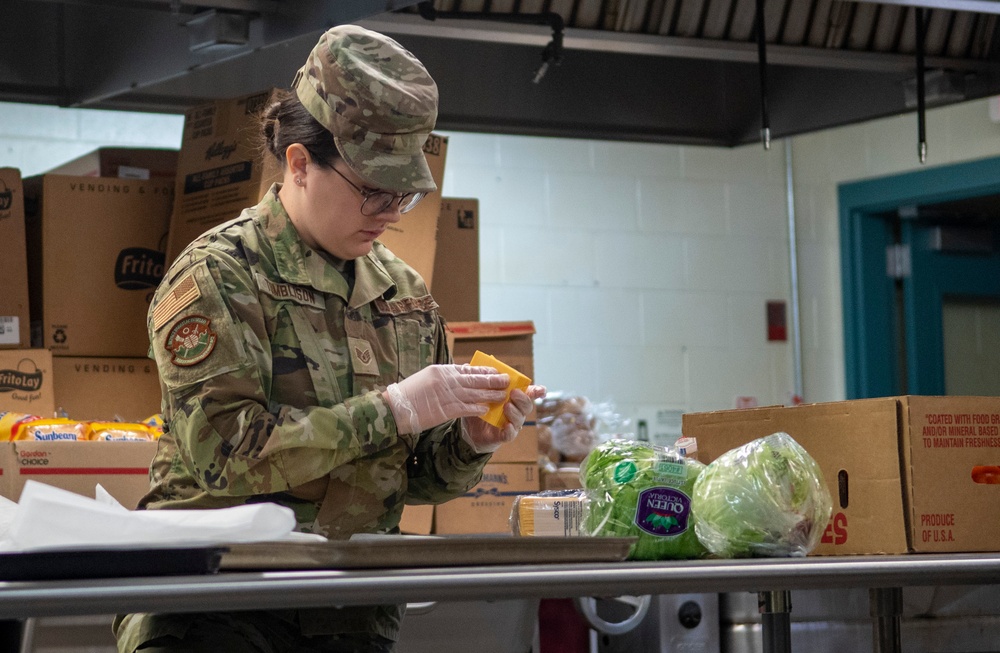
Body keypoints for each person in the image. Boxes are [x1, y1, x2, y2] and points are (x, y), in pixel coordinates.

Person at [114, 24, 545, 653]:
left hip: (349, 618)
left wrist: (469, 444)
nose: (393, 212)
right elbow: (225, 456)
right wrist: (393, 409)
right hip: (212, 611)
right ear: (298, 163)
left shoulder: (404, 296)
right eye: (374, 189)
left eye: (406, 192)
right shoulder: (220, 276)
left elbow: (411, 479)